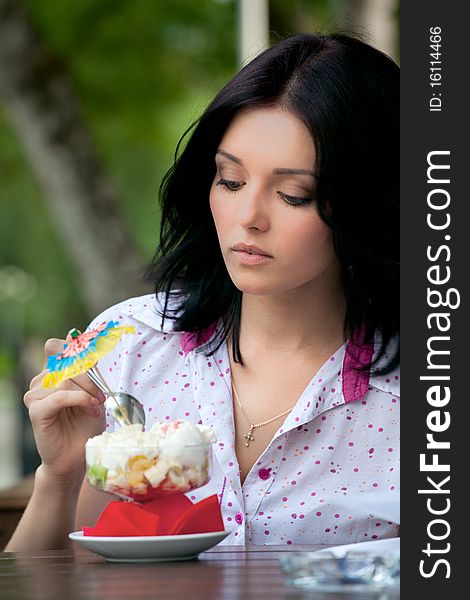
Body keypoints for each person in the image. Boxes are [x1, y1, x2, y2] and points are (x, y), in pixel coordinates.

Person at [6, 32, 399, 551]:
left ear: (368, 205)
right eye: (230, 181)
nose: (248, 218)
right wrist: (59, 477)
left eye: (293, 195)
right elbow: (46, 580)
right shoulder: (129, 349)